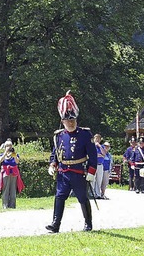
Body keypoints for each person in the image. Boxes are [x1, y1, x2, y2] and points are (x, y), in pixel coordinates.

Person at [46, 91, 97, 233]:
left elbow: (93, 155)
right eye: (68, 121)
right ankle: (55, 224)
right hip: (63, 173)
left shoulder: (85, 134)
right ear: (63, 122)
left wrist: (92, 171)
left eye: (73, 120)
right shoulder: (59, 136)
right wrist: (52, 164)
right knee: (59, 197)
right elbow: (55, 153)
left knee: (82, 198)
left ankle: (88, 224)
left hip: (78, 172)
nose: (71, 122)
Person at [0, 140, 24, 209]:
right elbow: (1, 160)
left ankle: (12, 205)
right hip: (5, 173)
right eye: (7, 146)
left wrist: (14, 155)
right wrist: (5, 152)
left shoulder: (14, 154)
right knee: (5, 189)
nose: (9, 147)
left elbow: (17, 162)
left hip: (14, 174)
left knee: (13, 190)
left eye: (10, 146)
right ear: (5, 147)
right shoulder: (2, 154)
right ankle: (5, 205)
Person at [92, 134, 106, 199]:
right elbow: (92, 155)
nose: (97, 140)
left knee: (99, 180)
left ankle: (98, 194)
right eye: (96, 138)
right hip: (93, 164)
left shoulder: (102, 146)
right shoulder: (92, 146)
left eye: (98, 138)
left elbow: (104, 154)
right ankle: (92, 193)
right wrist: (98, 155)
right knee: (92, 180)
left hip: (100, 165)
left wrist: (99, 146)